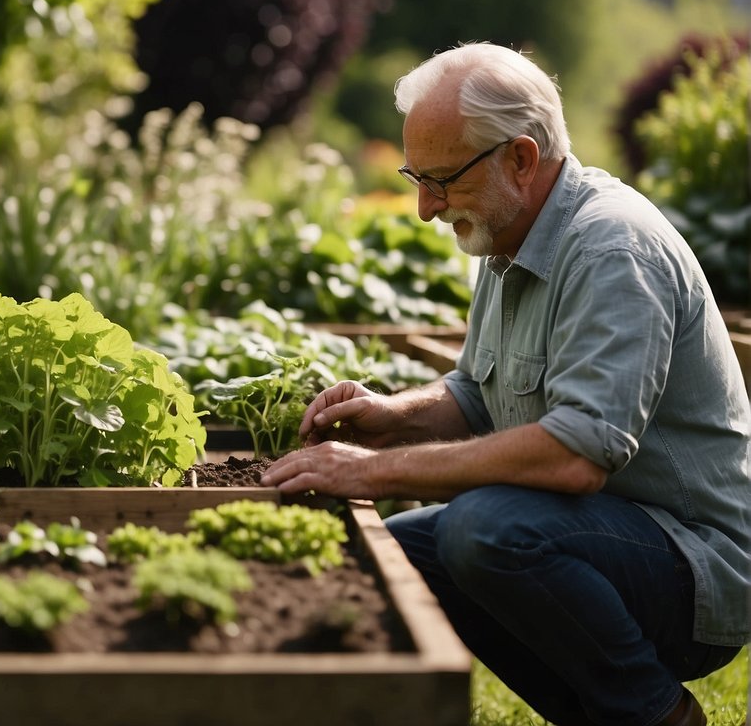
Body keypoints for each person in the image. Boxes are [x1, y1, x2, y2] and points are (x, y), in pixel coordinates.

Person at [260, 42, 750, 726]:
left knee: (486, 530)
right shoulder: (508, 232)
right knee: (403, 555)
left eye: (442, 179)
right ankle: (598, 714)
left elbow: (575, 456)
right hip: (607, 535)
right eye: (415, 178)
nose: (426, 208)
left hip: (694, 566)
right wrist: (388, 414)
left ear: (519, 159)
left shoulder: (611, 249)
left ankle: (655, 715)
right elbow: (474, 393)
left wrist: (373, 471)